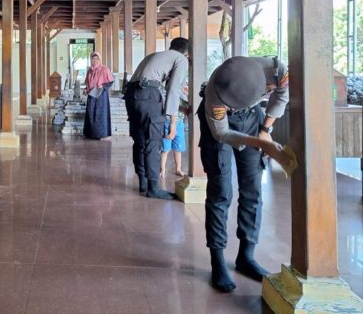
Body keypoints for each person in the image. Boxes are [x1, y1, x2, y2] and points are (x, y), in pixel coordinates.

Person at [198, 55, 297, 293]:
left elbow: (282, 95)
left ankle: (246, 256)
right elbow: (222, 134)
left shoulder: (275, 69)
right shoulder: (215, 96)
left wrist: (265, 130)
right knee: (220, 191)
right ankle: (217, 260)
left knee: (252, 187)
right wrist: (263, 144)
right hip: (220, 129)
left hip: (254, 118)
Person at [124, 37, 189, 200]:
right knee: (153, 141)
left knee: (139, 141)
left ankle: (143, 182)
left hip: (131, 94)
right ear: (186, 53)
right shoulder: (180, 59)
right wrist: (173, 122)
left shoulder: (154, 56)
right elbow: (173, 89)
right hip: (148, 94)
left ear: (171, 46)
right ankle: (154, 188)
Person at [83, 51, 114, 140]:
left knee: (101, 115)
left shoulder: (104, 69)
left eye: (97, 59)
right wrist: (86, 89)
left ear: (100, 59)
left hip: (101, 95)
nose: (95, 60)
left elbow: (110, 82)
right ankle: (91, 134)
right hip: (92, 95)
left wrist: (103, 86)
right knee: (91, 113)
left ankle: (102, 134)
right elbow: (88, 82)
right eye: (93, 59)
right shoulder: (90, 70)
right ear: (91, 60)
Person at [160, 82, 188, 178]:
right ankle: (162, 169)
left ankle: (178, 169)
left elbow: (184, 107)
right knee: (165, 148)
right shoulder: (170, 93)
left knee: (178, 149)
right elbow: (172, 110)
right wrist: (172, 126)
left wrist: (186, 93)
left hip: (179, 122)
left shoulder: (182, 94)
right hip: (168, 123)